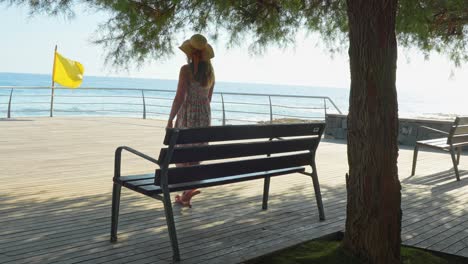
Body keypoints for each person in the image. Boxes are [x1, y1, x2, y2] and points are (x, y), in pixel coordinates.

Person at [167, 34, 215, 207]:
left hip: (188, 114)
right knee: (195, 154)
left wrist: (170, 119)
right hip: (204, 116)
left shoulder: (185, 70)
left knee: (182, 154)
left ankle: (186, 191)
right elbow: (208, 98)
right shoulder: (211, 72)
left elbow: (180, 96)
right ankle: (187, 192)